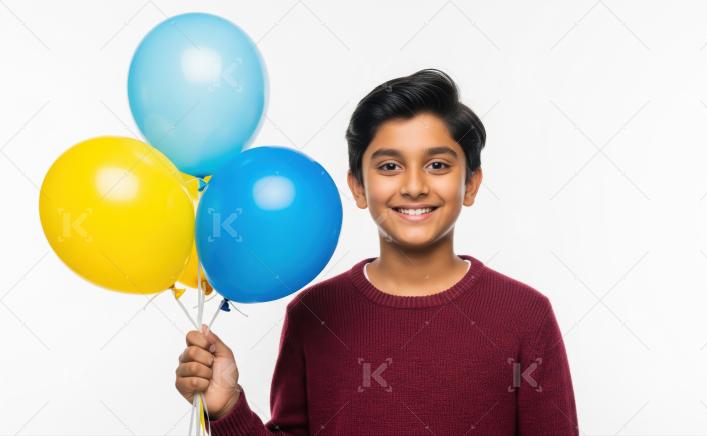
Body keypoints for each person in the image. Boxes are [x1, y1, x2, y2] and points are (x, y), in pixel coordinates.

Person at [175, 69, 579, 434]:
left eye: (438, 165)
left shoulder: (525, 315)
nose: (415, 186)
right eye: (389, 167)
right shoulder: (313, 315)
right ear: (357, 187)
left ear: (471, 184)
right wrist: (228, 408)